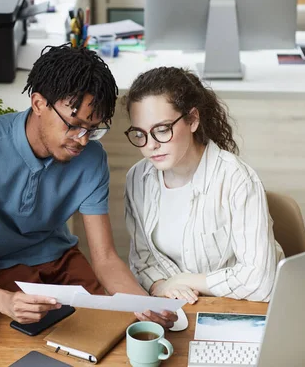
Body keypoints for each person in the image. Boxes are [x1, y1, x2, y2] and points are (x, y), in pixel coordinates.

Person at [0, 45, 177, 327]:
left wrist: (144, 304)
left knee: (109, 329)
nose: (82, 140)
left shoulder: (91, 158)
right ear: (38, 104)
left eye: (92, 129)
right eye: (74, 125)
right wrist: (4, 301)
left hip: (60, 259)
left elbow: (105, 257)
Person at [122, 67, 284, 304]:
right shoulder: (138, 178)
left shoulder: (237, 180)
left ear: (193, 119)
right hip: (175, 304)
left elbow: (259, 281)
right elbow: (143, 261)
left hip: (238, 308)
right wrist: (161, 287)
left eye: (162, 130)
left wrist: (185, 281)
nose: (150, 146)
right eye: (140, 134)